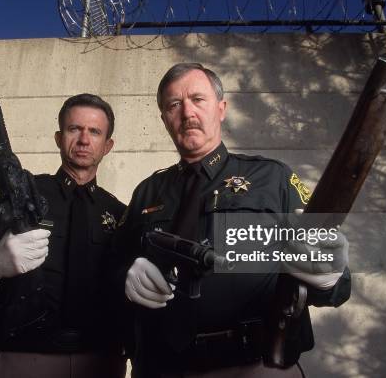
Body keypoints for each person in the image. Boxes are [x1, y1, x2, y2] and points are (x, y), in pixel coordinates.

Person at [115, 63, 351, 377]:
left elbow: (335, 280)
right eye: (174, 105)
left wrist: (330, 278)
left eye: (198, 100)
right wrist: (125, 277)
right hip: (162, 367)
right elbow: (112, 264)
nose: (187, 113)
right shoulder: (147, 191)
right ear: (164, 119)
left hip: (256, 365)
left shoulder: (273, 178)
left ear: (221, 108)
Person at [0, 93, 127, 378]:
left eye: (94, 131)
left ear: (107, 145)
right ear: (59, 138)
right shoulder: (21, 195)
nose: (84, 139)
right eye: (74, 129)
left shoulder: (119, 212)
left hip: (100, 360)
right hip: (23, 358)